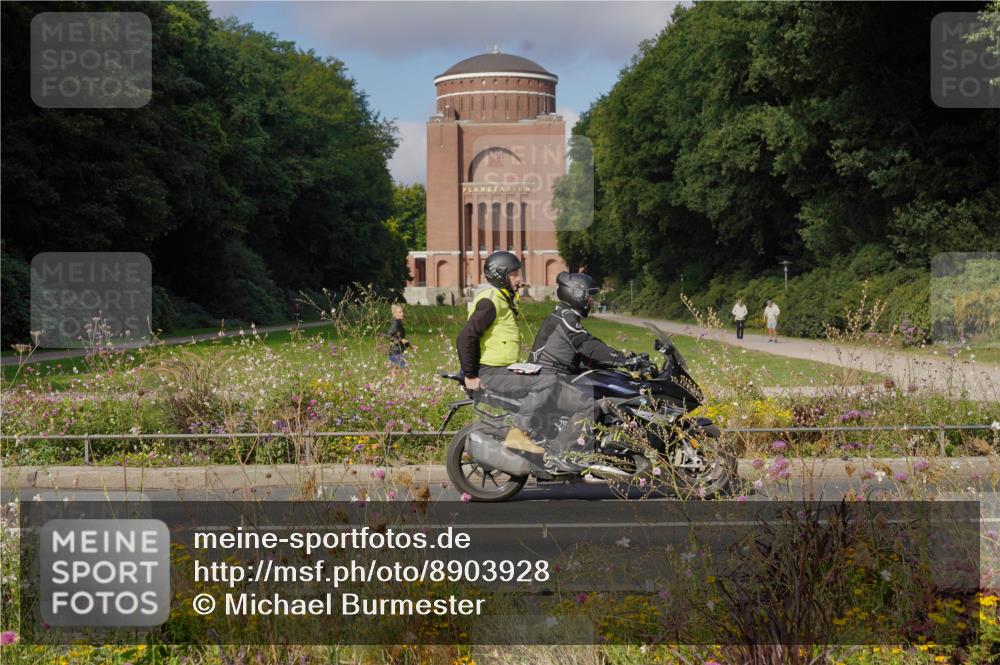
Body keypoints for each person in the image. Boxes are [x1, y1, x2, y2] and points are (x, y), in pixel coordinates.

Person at [530, 273, 642, 465]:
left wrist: (621, 360)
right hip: (548, 380)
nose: (592, 301)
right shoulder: (566, 318)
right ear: (577, 295)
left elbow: (583, 354)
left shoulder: (565, 315)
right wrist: (621, 360)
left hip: (552, 376)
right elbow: (588, 345)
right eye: (589, 296)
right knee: (589, 406)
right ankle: (560, 455)